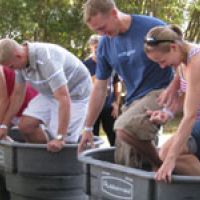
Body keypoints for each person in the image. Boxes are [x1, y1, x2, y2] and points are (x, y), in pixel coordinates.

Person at [78, 0, 173, 170]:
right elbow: (100, 88)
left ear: (114, 13)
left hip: (161, 90)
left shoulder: (151, 28)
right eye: (96, 31)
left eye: (102, 27)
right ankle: (143, 184)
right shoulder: (105, 46)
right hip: (133, 99)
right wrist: (88, 127)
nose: (102, 34)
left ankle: (161, 164)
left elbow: (179, 57)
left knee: (125, 127)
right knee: (122, 152)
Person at [0, 39, 92, 152]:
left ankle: (67, 163)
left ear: (18, 56)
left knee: (64, 144)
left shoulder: (47, 60)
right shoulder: (20, 63)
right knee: (26, 126)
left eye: (11, 66)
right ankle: (43, 159)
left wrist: (60, 137)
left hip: (74, 96)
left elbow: (64, 98)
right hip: (50, 93)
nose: (11, 69)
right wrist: (4, 125)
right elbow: (18, 94)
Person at [144, 24, 200, 182]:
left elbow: (190, 116)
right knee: (165, 156)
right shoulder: (183, 58)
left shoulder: (196, 62)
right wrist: (167, 113)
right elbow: (190, 96)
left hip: (195, 120)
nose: (162, 66)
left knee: (166, 155)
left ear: (174, 47)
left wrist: (170, 160)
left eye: (162, 60)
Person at [84, 34, 121, 146]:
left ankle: (116, 160)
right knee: (92, 138)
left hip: (108, 107)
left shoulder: (111, 62)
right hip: (91, 107)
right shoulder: (85, 65)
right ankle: (91, 161)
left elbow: (117, 83)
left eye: (99, 47)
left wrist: (116, 103)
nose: (97, 49)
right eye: (94, 47)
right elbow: (82, 86)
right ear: (90, 47)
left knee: (114, 136)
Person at [0, 65, 37, 140]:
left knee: (30, 131)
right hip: (9, 103)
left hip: (22, 100)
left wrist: (1, 125)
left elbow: (3, 99)